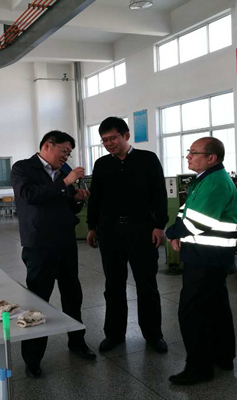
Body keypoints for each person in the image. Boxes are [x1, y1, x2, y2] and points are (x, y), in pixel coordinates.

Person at [12, 130, 96, 379]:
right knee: (38, 300)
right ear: (48, 145)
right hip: (39, 245)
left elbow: (66, 204)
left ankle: (77, 342)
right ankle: (32, 358)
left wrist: (77, 199)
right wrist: (66, 182)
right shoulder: (23, 168)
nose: (66, 156)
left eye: (69, 153)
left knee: (73, 295)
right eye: (64, 150)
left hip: (65, 242)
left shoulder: (62, 171)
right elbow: (30, 195)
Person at [86, 116, 168, 354]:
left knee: (147, 285)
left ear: (126, 135)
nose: (108, 144)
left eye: (112, 138)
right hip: (110, 232)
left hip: (142, 230)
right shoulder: (102, 164)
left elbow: (159, 194)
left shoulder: (148, 160)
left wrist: (159, 225)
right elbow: (95, 198)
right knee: (113, 285)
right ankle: (114, 334)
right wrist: (92, 227)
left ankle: (153, 334)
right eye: (104, 140)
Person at [165, 137, 237, 385]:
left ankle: (199, 368)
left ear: (211, 158)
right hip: (210, 256)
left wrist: (171, 233)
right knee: (216, 307)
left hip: (206, 257)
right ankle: (223, 357)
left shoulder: (215, 182)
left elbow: (197, 222)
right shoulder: (205, 179)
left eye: (193, 152)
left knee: (193, 311)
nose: (188, 156)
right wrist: (177, 231)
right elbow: (185, 211)